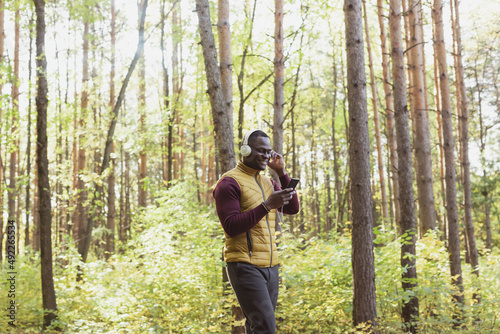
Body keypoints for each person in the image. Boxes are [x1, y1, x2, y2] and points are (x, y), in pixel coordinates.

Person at [213, 129, 300, 334]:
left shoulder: (268, 182)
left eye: (269, 152)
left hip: (271, 266)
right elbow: (231, 226)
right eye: (261, 151)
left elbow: (292, 208)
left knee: (257, 328)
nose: (266, 156)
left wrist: (281, 173)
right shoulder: (229, 183)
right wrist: (266, 206)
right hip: (244, 264)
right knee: (265, 328)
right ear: (245, 150)